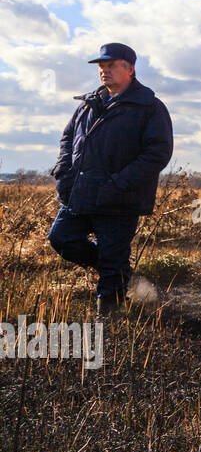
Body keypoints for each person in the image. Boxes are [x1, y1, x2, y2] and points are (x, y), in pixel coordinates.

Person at [48, 43, 174, 314]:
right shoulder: (87, 104)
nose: (104, 70)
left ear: (130, 69)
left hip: (119, 198)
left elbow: (157, 153)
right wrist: (63, 173)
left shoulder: (149, 107)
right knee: (61, 238)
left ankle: (111, 320)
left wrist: (118, 184)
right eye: (101, 66)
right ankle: (117, 270)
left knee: (112, 257)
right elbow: (68, 139)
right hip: (79, 193)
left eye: (111, 65)